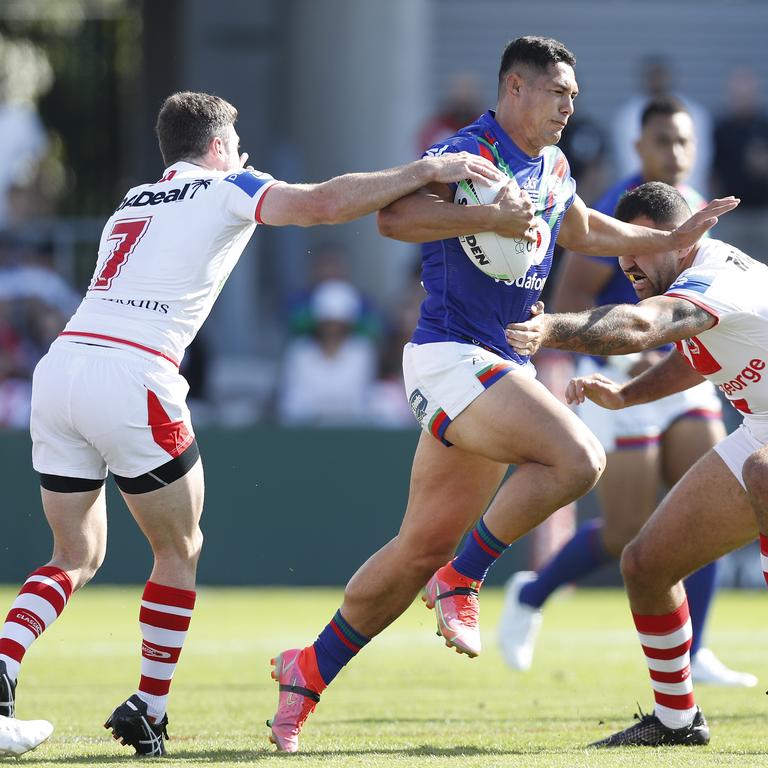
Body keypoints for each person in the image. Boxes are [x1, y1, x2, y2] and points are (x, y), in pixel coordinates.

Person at [0, 90, 512, 758]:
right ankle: (150, 707)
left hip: (62, 368)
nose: (244, 156)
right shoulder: (226, 184)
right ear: (217, 147)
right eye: (236, 145)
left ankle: (4, 674)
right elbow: (323, 204)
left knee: (74, 555)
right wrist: (426, 170)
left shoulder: (132, 199)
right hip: (133, 375)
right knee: (178, 549)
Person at [265, 36, 737, 753]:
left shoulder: (552, 163)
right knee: (578, 459)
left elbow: (576, 228)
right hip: (448, 355)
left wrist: (668, 234)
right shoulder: (469, 152)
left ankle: (307, 671)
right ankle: (467, 577)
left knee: (416, 548)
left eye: (574, 95)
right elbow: (394, 219)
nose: (570, 106)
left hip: (494, 369)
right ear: (515, 89)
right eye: (559, 93)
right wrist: (485, 216)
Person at [498, 97, 756, 687]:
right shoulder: (616, 212)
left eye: (685, 141)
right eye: (663, 141)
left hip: (691, 364)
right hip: (618, 371)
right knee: (626, 534)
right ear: (638, 147)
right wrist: (595, 349)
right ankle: (532, 593)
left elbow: (682, 316)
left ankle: (696, 651)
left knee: (711, 502)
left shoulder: (694, 223)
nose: (676, 153)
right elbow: (574, 297)